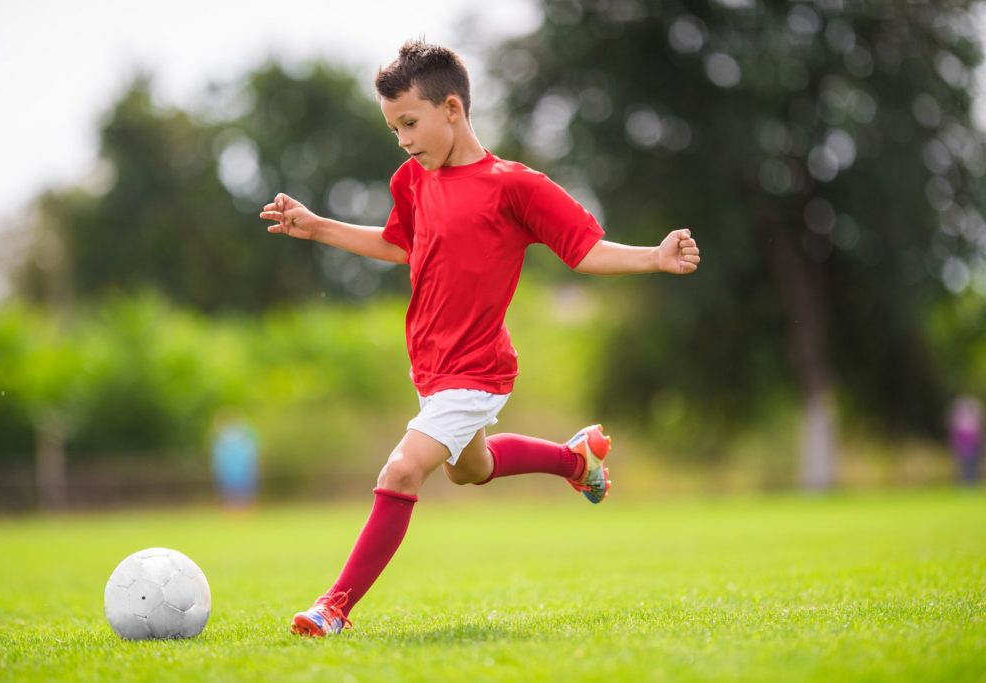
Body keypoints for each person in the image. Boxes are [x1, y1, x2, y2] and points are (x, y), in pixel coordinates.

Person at [259, 40, 701, 638]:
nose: (403, 139)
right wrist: (318, 227)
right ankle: (575, 460)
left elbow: (585, 250)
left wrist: (655, 257)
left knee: (401, 471)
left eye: (409, 123)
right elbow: (400, 245)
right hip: (431, 369)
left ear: (452, 109)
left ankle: (333, 607)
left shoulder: (513, 186)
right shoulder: (410, 180)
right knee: (471, 470)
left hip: (476, 370)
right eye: (393, 128)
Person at [949, 395, 982, 485]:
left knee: (972, 466)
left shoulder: (972, 422)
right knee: (964, 466)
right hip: (963, 448)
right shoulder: (960, 422)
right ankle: (965, 483)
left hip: (972, 447)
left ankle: (971, 483)